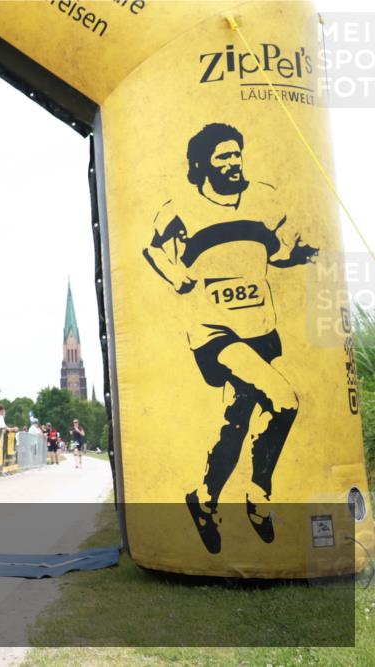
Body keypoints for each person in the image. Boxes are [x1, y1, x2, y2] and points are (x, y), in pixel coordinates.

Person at [143, 123, 316, 554]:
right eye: (222, 156)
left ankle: (202, 500)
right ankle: (258, 497)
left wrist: (300, 255)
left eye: (236, 154)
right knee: (285, 399)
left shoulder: (264, 198)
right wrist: (176, 274)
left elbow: (275, 254)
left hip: (260, 327)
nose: (233, 162)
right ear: (202, 164)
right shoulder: (180, 207)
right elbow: (154, 248)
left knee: (234, 425)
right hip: (214, 331)